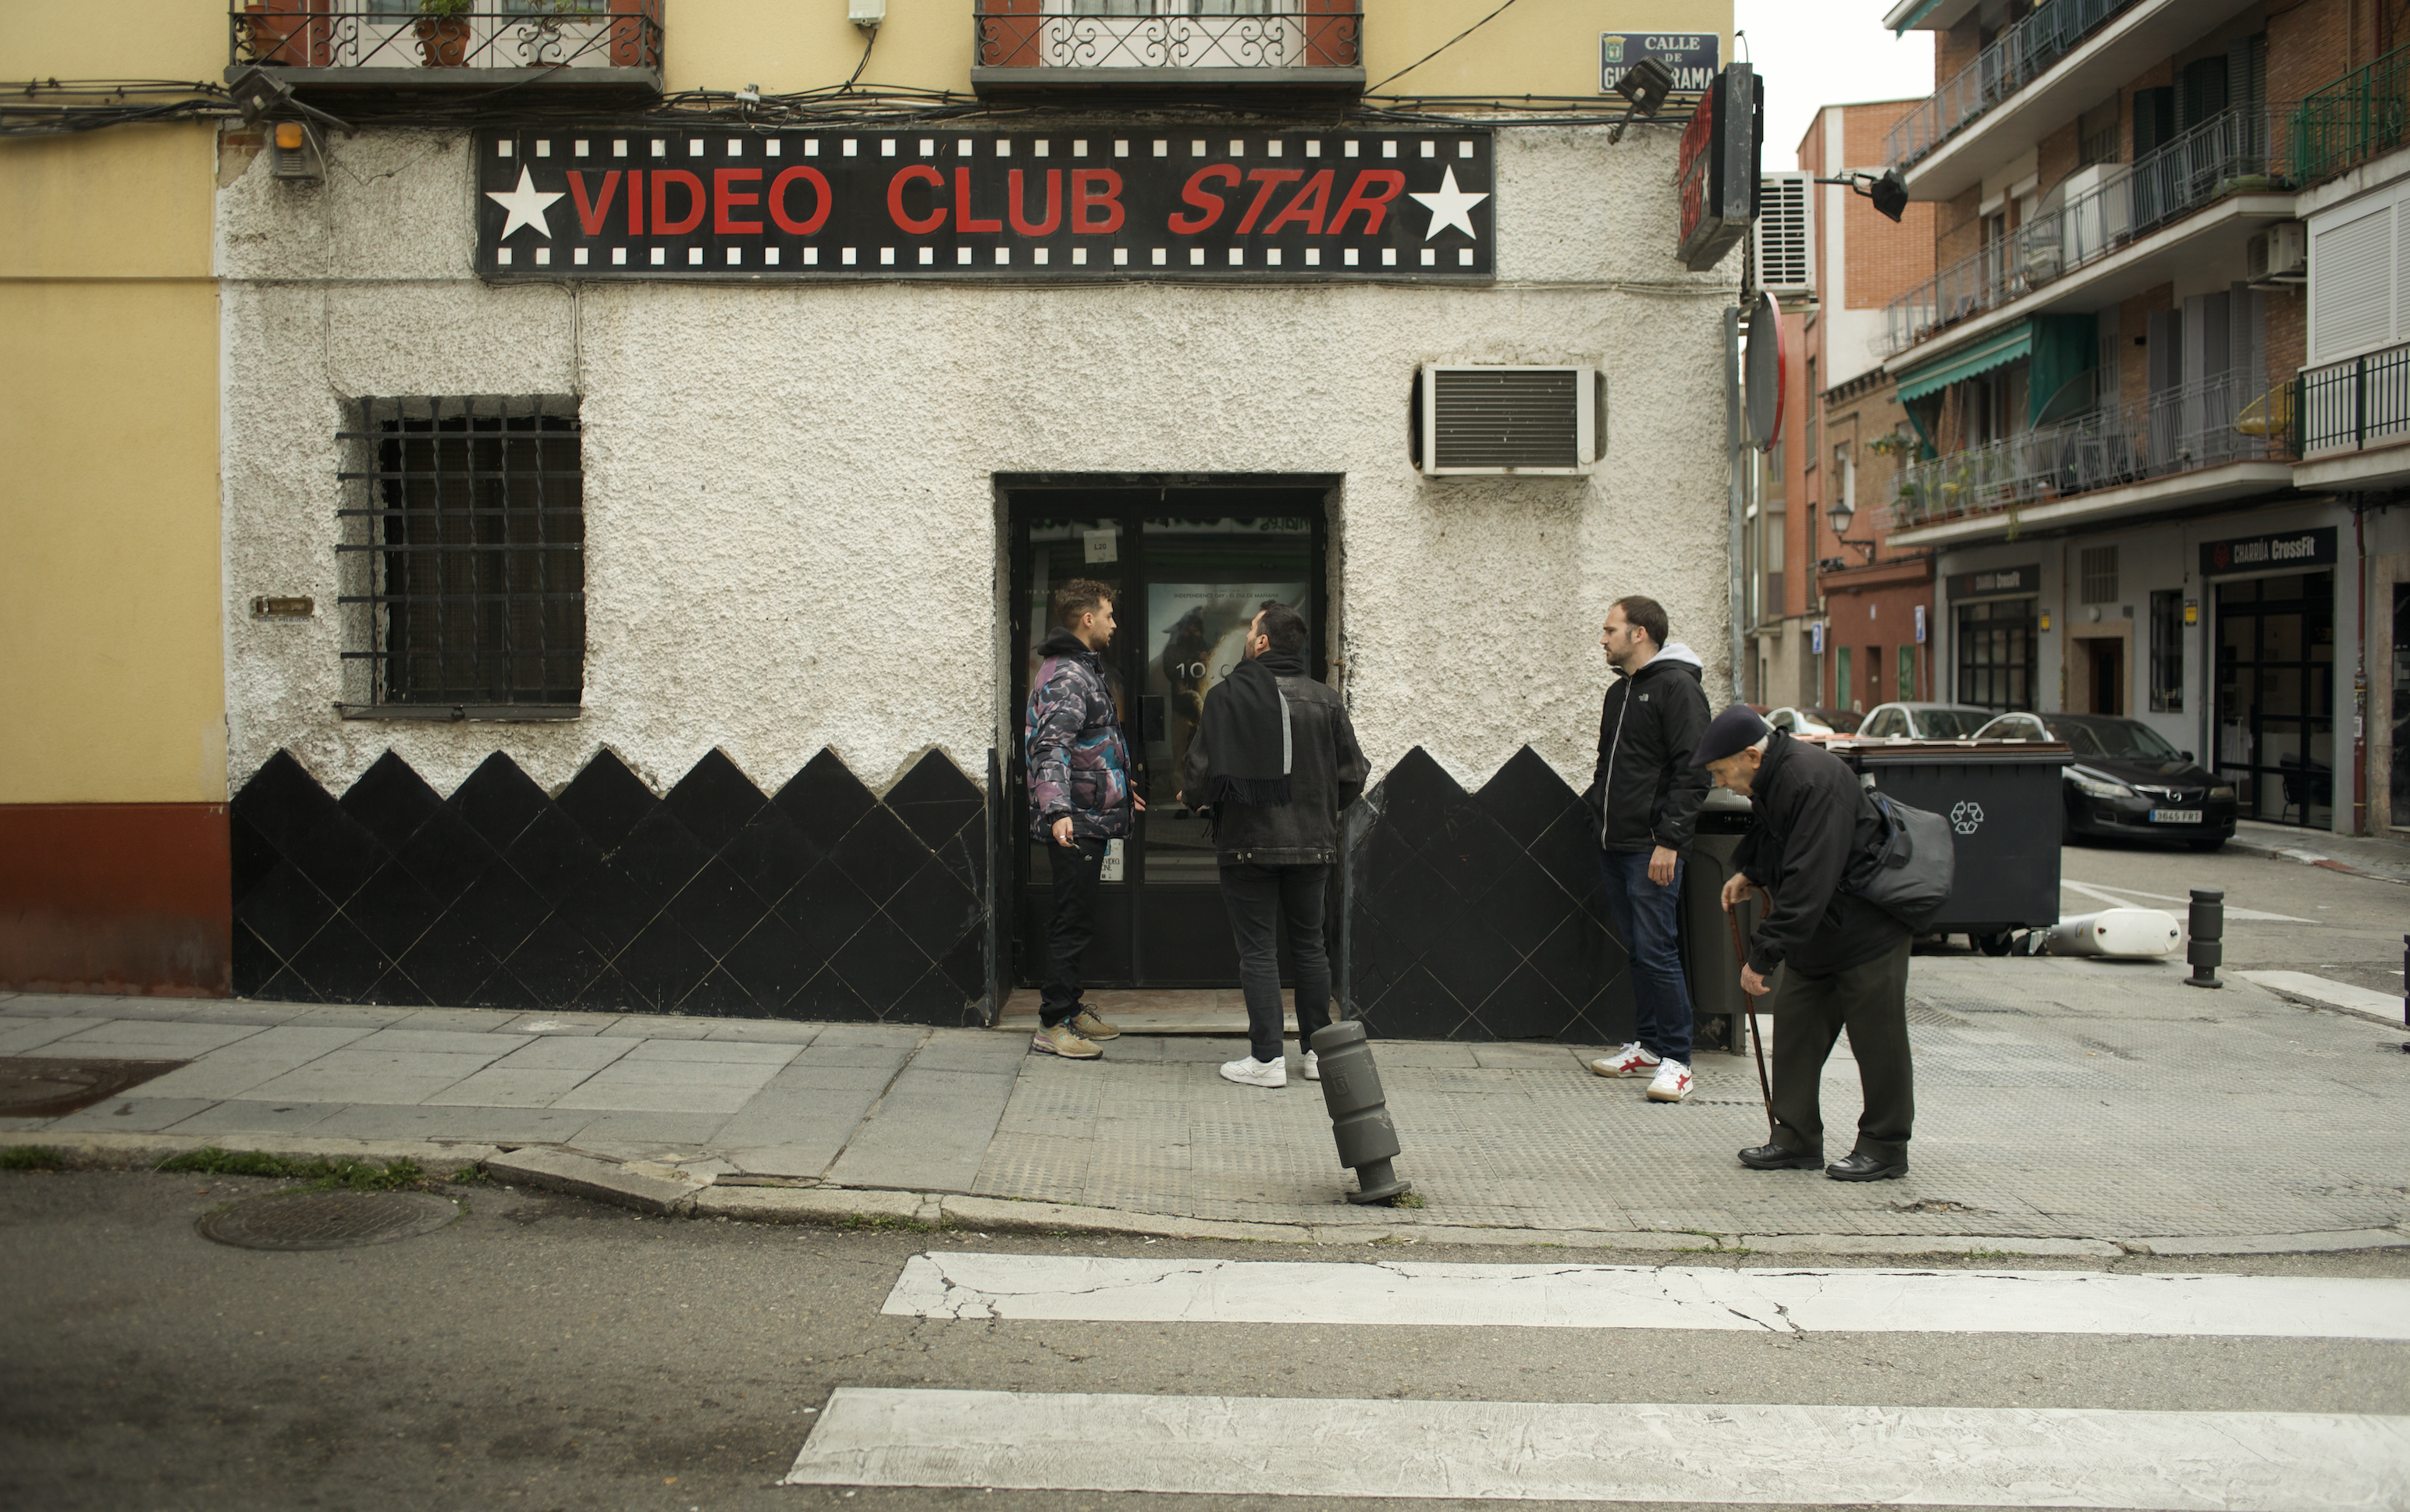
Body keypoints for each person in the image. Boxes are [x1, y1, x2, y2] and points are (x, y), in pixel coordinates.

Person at [1696, 705, 1916, 1181]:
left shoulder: (1811, 780)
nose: (1719, 782)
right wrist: (1752, 873)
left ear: (1752, 756)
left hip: (1867, 929)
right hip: (1821, 929)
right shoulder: (1773, 777)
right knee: (1796, 1025)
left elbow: (1809, 878)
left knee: (1877, 1040)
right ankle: (1795, 1138)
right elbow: (1779, 840)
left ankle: (1885, 1146)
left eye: (1721, 771)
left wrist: (1763, 956)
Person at [1181, 602, 1366, 1088]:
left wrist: (1194, 798)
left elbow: (1199, 772)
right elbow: (1354, 775)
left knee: (1259, 950)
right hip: (1313, 846)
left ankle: (1266, 1060)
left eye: (1251, 630)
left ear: (1262, 642)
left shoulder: (1228, 696)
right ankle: (1317, 1054)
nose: (1247, 637)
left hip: (1247, 845)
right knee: (1309, 946)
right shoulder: (1325, 700)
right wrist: (1320, 809)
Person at [1581, 596, 1712, 1103]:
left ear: (1639, 634)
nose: (1603, 639)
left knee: (1658, 951)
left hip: (1651, 848)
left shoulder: (1678, 688)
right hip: (1614, 842)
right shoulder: (1620, 692)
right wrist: (1598, 818)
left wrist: (1670, 841)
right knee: (1639, 950)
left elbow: (1694, 770)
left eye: (1611, 629)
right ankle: (1651, 1047)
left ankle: (1678, 1061)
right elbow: (1606, 765)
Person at [1025, 578, 1143, 1059]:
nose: (1114, 624)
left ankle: (1070, 1010)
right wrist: (1057, 810)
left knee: (1078, 919)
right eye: (1109, 615)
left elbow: (1091, 747)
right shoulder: (1069, 676)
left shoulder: (1079, 669)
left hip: (1089, 813)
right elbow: (1051, 746)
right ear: (1088, 618)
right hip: (1076, 820)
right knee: (1071, 922)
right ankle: (1052, 1023)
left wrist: (1121, 788)